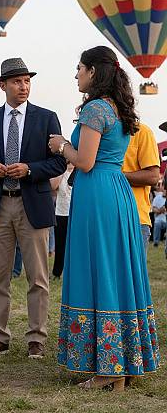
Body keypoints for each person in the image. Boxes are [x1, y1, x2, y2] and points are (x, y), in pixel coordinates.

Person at [52, 45, 159, 390]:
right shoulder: (120, 109)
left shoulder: (96, 109)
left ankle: (108, 369)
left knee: (98, 269)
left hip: (97, 191)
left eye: (80, 68)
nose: (76, 74)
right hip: (118, 193)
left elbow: (84, 161)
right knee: (117, 271)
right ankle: (121, 366)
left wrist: (60, 146)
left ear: (94, 72)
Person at [0, 57, 66, 359]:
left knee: (37, 277)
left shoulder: (46, 117)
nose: (23, 86)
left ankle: (36, 337)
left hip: (32, 205)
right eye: (16, 81)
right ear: (3, 85)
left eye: (26, 81)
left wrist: (29, 169)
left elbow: (59, 162)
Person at [122, 123, 160, 252]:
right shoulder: (96, 134)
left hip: (134, 220)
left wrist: (114, 176)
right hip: (101, 218)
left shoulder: (142, 131)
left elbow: (153, 177)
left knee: (133, 272)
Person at [50, 163, 74, 279]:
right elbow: (53, 186)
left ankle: (73, 272)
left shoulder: (79, 172)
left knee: (75, 244)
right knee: (60, 244)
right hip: (61, 213)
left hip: (75, 213)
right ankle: (57, 272)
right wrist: (62, 170)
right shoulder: (61, 172)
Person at [152, 184, 166, 251]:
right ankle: (156, 242)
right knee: (157, 223)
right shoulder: (157, 197)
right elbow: (153, 209)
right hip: (159, 218)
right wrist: (161, 210)